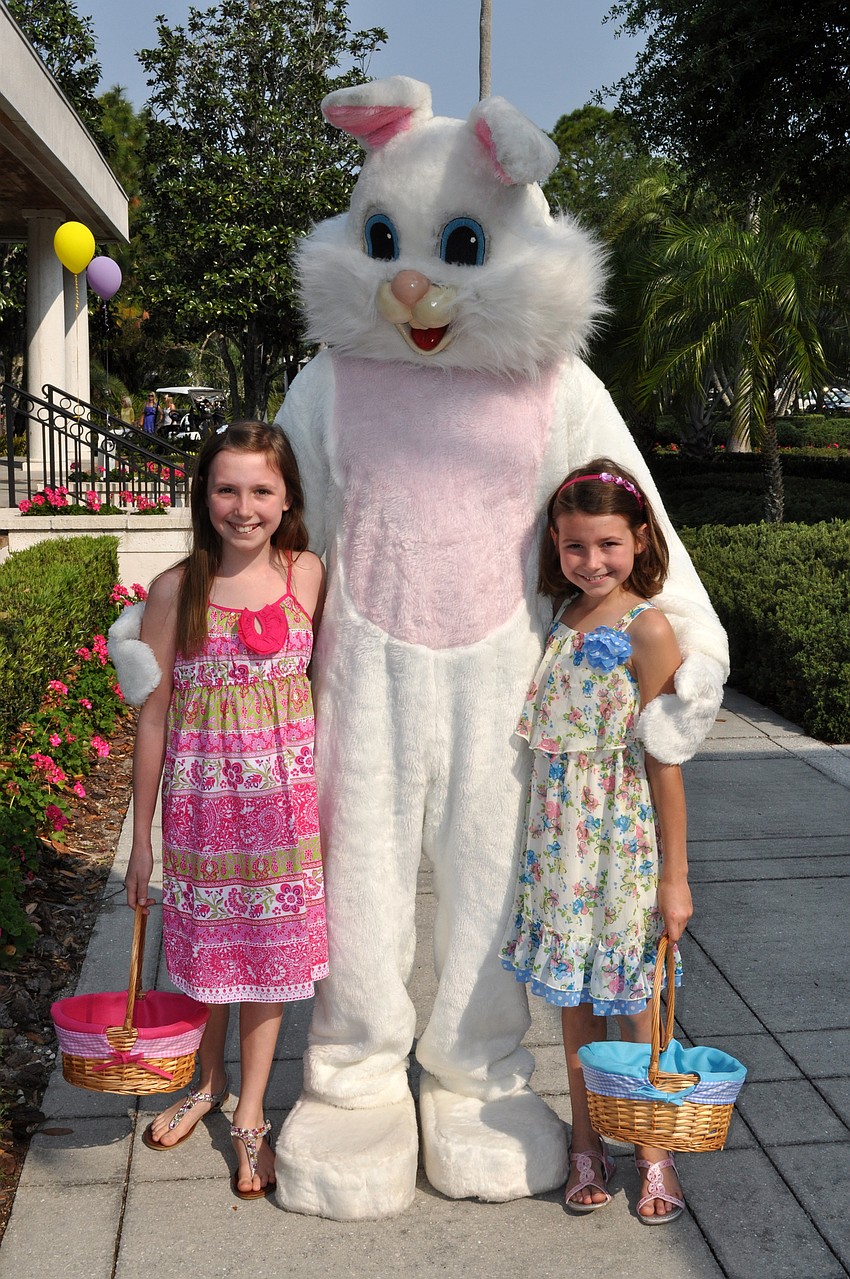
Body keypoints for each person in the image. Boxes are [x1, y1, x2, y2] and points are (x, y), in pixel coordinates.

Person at [124, 419, 328, 1200]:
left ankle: (250, 1115)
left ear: (286, 497)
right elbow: (150, 715)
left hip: (281, 811)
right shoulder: (179, 589)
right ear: (204, 495)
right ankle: (206, 1083)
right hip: (204, 811)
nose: (243, 506)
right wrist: (140, 840)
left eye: (261, 489)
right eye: (227, 488)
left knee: (269, 962)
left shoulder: (307, 573)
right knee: (209, 961)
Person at [500, 457, 691, 1225]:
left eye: (609, 544)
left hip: (621, 839)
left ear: (640, 538)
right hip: (559, 844)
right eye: (576, 547)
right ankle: (587, 1140)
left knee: (638, 1002)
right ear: (556, 543)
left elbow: (665, 761)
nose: (593, 562)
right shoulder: (560, 617)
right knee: (575, 1001)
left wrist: (675, 875)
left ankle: (652, 1150)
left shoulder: (646, 628)